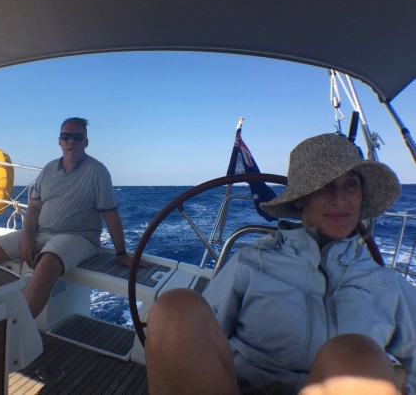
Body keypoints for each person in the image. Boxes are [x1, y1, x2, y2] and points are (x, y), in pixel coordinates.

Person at [145, 133, 415, 395]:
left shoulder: (388, 285)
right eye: (325, 186)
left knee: (355, 356)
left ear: (360, 196)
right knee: (174, 308)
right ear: (300, 198)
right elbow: (200, 340)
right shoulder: (251, 263)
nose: (340, 199)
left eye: (350, 185)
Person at [0, 117, 147, 319]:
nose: (71, 141)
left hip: (79, 237)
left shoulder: (98, 172)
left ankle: (16, 329)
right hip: (41, 233)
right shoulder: (48, 169)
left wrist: (121, 253)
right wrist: (27, 238)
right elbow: (34, 207)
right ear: (59, 141)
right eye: (66, 136)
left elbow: (110, 214)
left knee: (46, 266)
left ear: (86, 142)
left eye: (77, 137)